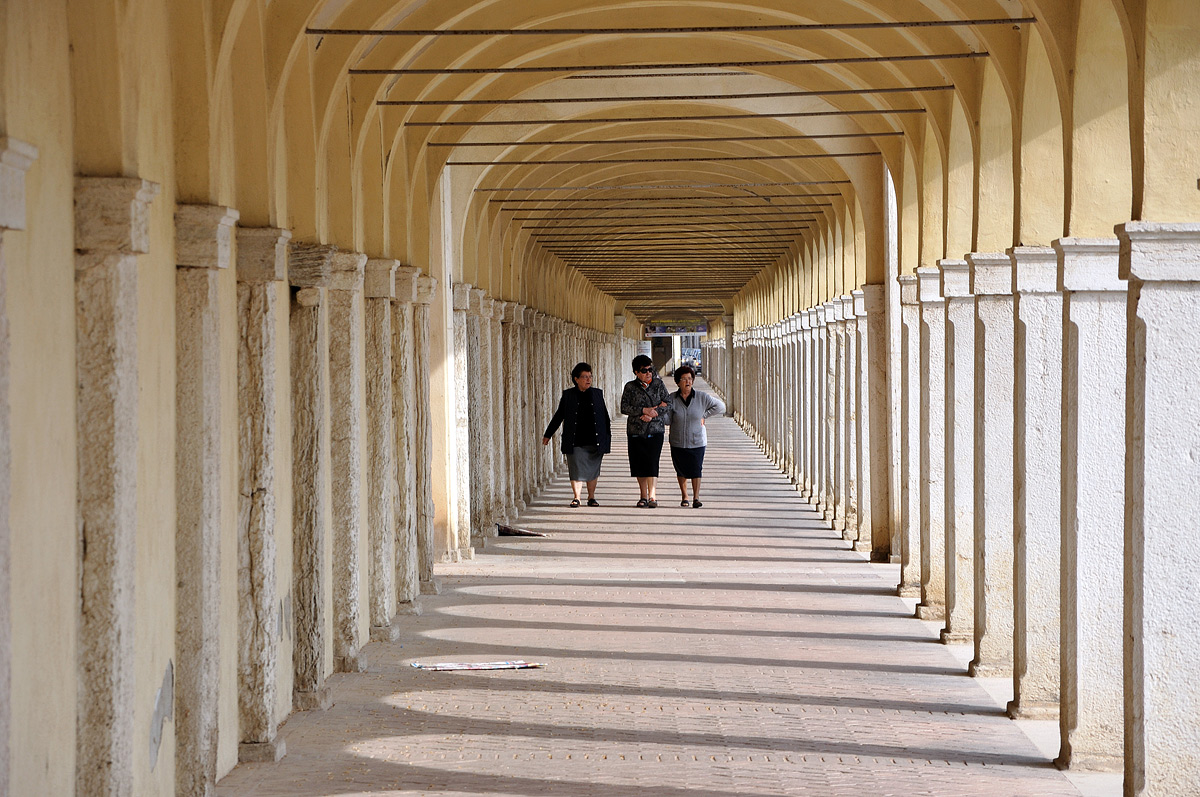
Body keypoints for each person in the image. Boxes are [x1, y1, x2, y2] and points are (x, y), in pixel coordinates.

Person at [542, 362, 611, 507]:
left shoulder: (597, 394)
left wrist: (607, 438)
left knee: (593, 469)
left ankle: (591, 497)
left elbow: (605, 417)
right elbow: (559, 415)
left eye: (590, 376)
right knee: (576, 468)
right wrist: (548, 434)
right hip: (575, 438)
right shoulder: (568, 395)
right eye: (585, 377)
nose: (588, 379)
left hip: (595, 438)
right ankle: (577, 497)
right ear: (576, 379)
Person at [663, 364, 725, 508]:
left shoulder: (702, 397)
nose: (688, 382)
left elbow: (721, 406)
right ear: (678, 382)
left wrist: (704, 415)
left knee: (696, 469)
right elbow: (668, 421)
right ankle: (685, 496)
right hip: (678, 441)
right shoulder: (672, 399)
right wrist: (661, 411)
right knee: (681, 470)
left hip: (697, 440)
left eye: (690, 378)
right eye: (684, 379)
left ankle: (696, 497)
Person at [619, 355, 671, 508]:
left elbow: (668, 403)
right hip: (636, 430)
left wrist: (653, 413)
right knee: (639, 464)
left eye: (650, 369)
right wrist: (643, 410)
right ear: (636, 372)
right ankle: (643, 495)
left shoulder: (658, 384)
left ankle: (652, 495)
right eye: (644, 370)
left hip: (655, 430)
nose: (648, 373)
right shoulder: (630, 387)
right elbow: (624, 407)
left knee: (652, 462)